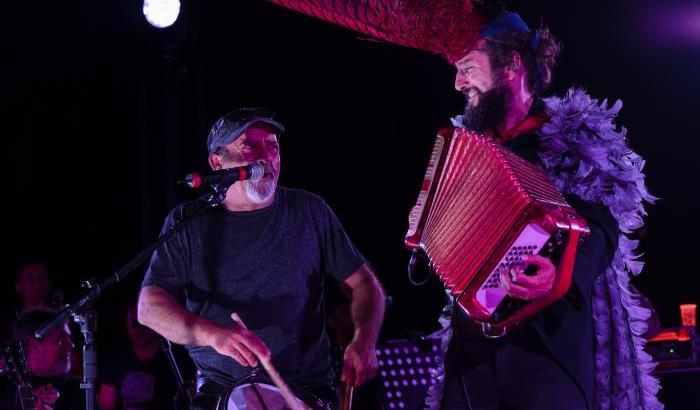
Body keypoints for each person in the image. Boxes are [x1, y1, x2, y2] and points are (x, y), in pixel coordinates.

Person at [428, 10, 661, 410]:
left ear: (511, 64)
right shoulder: (467, 153)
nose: (458, 82)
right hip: (470, 360)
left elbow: (601, 229)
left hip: (546, 350)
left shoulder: (574, 138)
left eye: (467, 67)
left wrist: (563, 271)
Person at [137, 107, 386, 409]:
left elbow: (364, 284)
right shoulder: (189, 222)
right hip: (224, 391)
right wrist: (213, 335)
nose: (265, 156)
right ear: (217, 162)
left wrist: (364, 340)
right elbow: (149, 308)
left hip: (306, 390)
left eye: (272, 146)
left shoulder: (308, 211)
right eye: (248, 145)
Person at [99, 302, 191, 410]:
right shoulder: (117, 359)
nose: (138, 330)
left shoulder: (175, 358)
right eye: (134, 324)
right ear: (126, 324)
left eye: (142, 325)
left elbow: (191, 397)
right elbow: (105, 405)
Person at [0, 309, 89, 410]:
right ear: (34, 345)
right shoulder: (5, 391)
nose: (71, 346)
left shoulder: (82, 392)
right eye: (61, 338)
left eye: (69, 338)